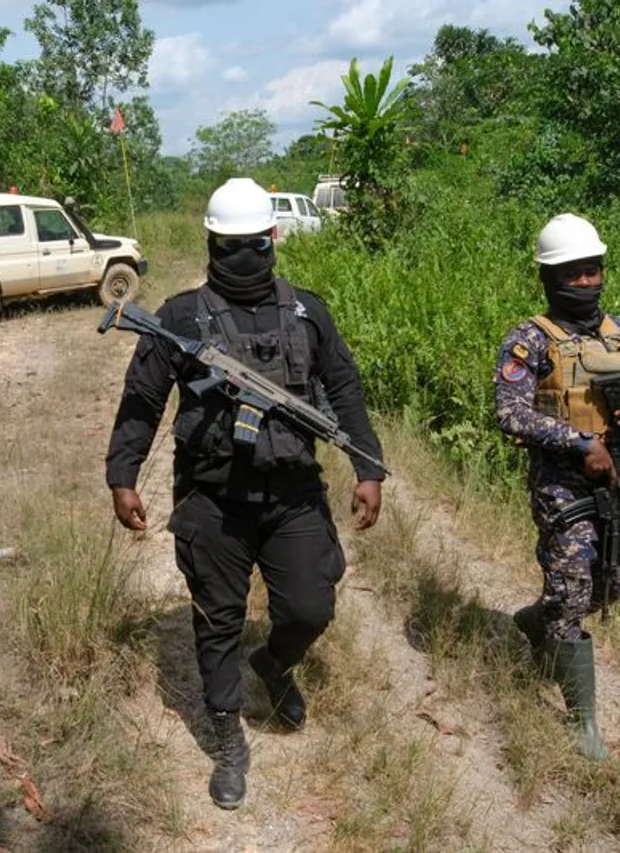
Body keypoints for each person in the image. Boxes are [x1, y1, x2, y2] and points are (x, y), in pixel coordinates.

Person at [105, 177, 386, 810]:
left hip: (292, 493)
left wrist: (368, 467)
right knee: (218, 622)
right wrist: (122, 475)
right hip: (212, 499)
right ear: (210, 242)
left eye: (252, 244)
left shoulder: (308, 312)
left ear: (273, 239)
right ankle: (228, 737)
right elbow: (142, 401)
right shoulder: (179, 317)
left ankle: (275, 663)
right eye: (230, 245)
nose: (242, 255)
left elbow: (344, 388)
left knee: (310, 607)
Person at [495, 213, 620, 761]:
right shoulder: (530, 341)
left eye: (592, 271)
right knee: (574, 586)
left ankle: (538, 618)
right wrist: (579, 443)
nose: (585, 282)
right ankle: (584, 724)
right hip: (561, 484)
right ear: (551, 278)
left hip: (617, 479)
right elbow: (510, 414)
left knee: (617, 580)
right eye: (573, 273)